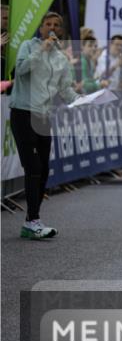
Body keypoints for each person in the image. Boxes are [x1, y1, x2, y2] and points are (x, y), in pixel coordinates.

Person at [9, 12, 78, 239]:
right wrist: (42, 50)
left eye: (56, 25)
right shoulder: (28, 46)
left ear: (60, 31)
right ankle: (33, 220)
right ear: (41, 28)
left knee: (44, 170)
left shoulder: (61, 59)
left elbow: (66, 91)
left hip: (43, 116)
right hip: (23, 111)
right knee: (33, 167)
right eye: (47, 24)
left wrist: (86, 100)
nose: (51, 27)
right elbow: (20, 70)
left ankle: (31, 221)